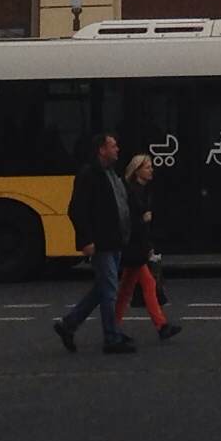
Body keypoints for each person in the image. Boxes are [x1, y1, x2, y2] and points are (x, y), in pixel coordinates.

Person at [52, 134, 135, 355]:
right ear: (101, 150)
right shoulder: (88, 175)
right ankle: (111, 338)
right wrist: (85, 240)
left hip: (115, 239)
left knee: (103, 287)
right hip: (101, 241)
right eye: (113, 146)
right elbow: (76, 209)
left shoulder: (111, 173)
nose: (117, 149)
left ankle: (69, 324)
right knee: (109, 290)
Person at [111, 154, 181, 343]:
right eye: (148, 167)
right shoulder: (132, 192)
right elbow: (129, 221)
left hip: (135, 246)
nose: (151, 170)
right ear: (137, 171)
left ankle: (113, 326)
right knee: (147, 285)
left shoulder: (140, 190)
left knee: (126, 289)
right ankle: (161, 326)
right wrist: (144, 221)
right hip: (133, 247)